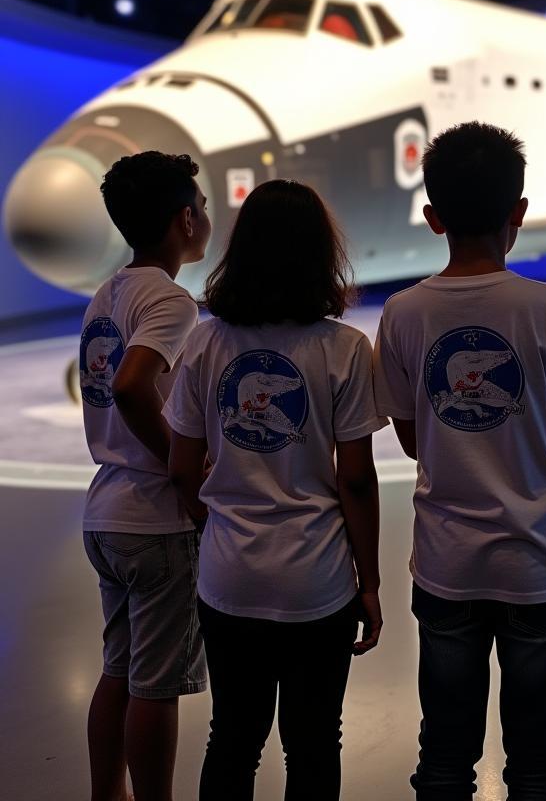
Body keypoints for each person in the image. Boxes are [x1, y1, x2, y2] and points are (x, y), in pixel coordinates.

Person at [373, 121, 546, 800]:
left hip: (447, 563)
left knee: (443, 756)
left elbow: (415, 440)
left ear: (432, 218)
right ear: (520, 215)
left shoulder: (403, 313)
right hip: (539, 563)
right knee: (536, 765)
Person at [164, 180, 385, 801]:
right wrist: (368, 582)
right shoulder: (343, 348)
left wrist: (216, 530)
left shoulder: (205, 342)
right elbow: (357, 479)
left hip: (229, 577)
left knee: (232, 736)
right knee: (314, 743)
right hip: (317, 582)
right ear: (322, 253)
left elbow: (182, 468)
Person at [81, 151, 212, 801]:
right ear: (185, 219)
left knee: (118, 671)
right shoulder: (170, 298)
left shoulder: (107, 294)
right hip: (155, 521)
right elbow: (134, 387)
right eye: (204, 206)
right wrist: (183, 468)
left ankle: (109, 793)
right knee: (155, 686)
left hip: (104, 513)